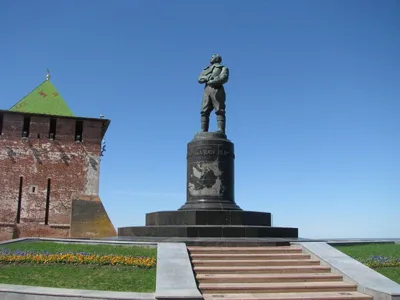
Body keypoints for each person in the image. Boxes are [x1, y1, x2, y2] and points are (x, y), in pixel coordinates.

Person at [198, 54, 229, 134]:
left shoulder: (223, 68)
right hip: (207, 89)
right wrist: (207, 78)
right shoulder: (206, 69)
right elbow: (200, 79)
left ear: (217, 58)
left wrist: (214, 80)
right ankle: (203, 130)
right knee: (204, 110)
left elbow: (224, 77)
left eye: (212, 57)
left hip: (217, 89)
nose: (211, 58)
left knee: (219, 109)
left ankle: (221, 130)